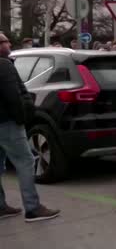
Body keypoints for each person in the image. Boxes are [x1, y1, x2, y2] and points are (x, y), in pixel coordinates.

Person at [0, 33, 60, 222]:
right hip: (7, 122)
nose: (9, 44)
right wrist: (22, 118)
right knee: (26, 161)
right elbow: (13, 96)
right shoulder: (4, 66)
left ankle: (1, 207)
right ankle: (33, 208)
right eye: (5, 41)